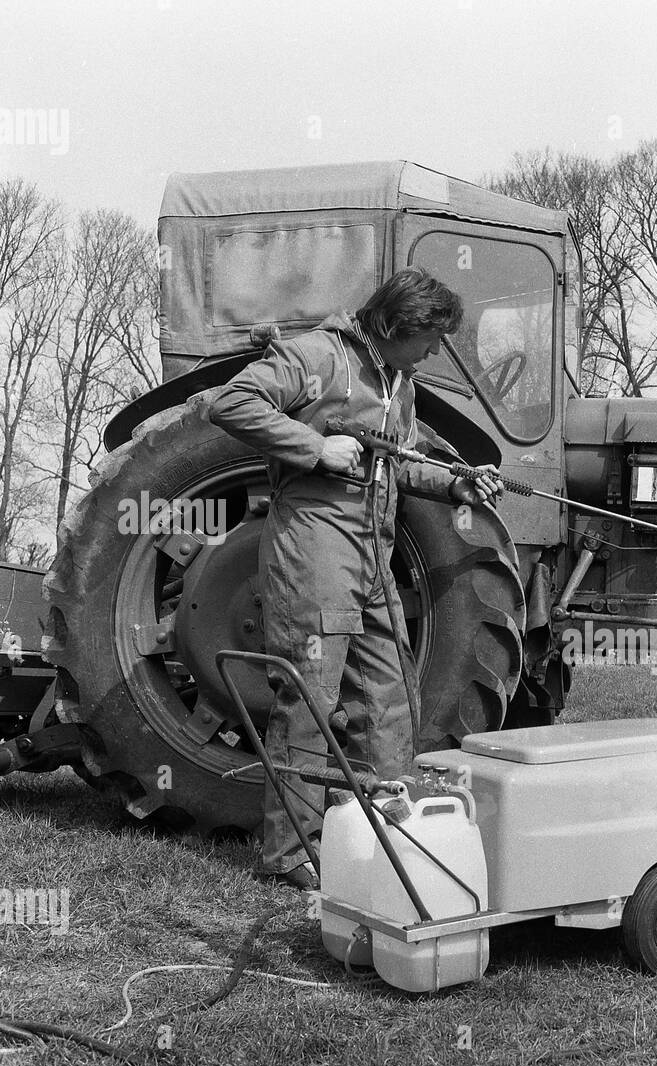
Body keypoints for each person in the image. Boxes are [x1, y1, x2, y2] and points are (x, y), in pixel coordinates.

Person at [209, 267, 503, 889]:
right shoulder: (316, 355)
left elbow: (399, 465)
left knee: (390, 694)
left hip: (374, 551)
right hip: (314, 548)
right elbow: (229, 401)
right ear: (399, 325)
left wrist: (458, 482)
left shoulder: (399, 381)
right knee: (311, 700)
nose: (432, 354)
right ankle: (293, 853)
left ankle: (385, 830)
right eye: (428, 340)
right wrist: (313, 447)